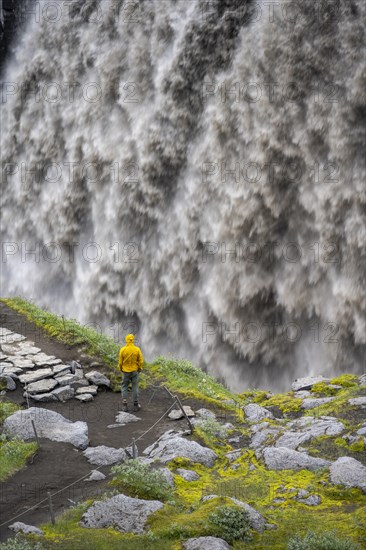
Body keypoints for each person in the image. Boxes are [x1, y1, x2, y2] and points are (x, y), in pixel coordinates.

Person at [118, 334, 143, 412]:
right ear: (133, 340)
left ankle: (125, 405)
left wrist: (121, 369)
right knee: (134, 387)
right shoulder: (137, 349)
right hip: (135, 371)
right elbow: (141, 361)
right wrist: (139, 369)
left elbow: (120, 362)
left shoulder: (123, 350)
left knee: (124, 386)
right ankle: (135, 405)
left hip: (125, 372)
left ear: (126, 340)